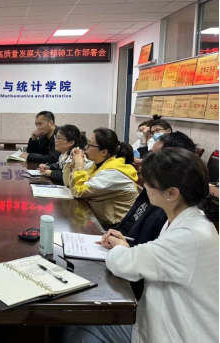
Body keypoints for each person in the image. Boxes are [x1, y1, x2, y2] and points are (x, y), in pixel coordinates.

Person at [65, 148, 219, 343]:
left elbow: (123, 264)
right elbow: (154, 259)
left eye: (149, 182)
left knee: (81, 327)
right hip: (163, 317)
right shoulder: (186, 219)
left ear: (172, 193)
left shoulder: (190, 235)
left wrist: (120, 247)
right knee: (80, 323)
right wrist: (124, 245)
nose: (144, 186)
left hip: (179, 333)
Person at [115, 131, 198, 300]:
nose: (146, 162)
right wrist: (121, 240)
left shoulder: (186, 231)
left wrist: (121, 247)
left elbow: (129, 264)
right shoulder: (174, 210)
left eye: (155, 157)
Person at [63, 128, 138, 229]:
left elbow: (79, 192)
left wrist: (79, 166)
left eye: (89, 145)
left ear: (104, 152)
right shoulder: (96, 165)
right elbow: (68, 184)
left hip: (116, 227)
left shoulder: (114, 173)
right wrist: (72, 164)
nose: (85, 148)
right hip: (99, 220)